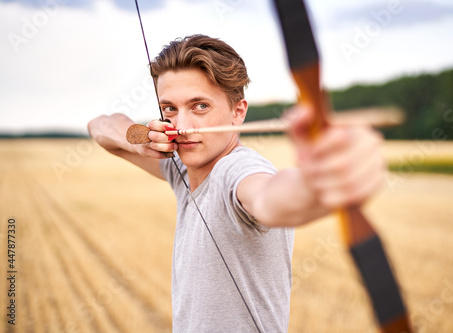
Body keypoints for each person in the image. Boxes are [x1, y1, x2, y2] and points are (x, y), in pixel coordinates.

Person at [87, 34, 385, 332]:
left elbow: (271, 196)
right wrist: (139, 141)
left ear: (238, 112)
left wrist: (320, 182)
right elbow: (100, 126)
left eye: (200, 106)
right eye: (170, 108)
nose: (182, 126)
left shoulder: (237, 170)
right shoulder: (179, 167)